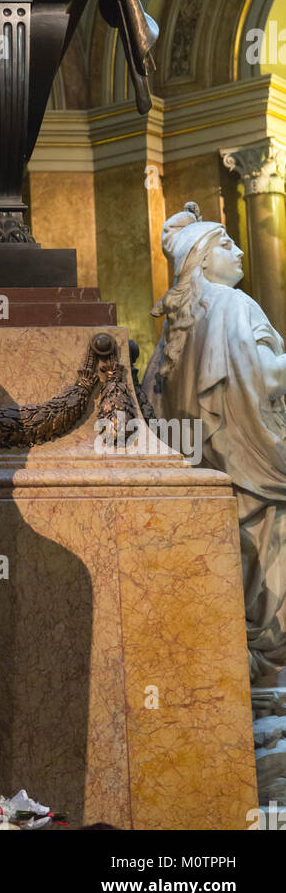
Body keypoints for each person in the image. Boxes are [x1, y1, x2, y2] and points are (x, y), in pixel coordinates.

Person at [142, 202, 286, 684]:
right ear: (200, 258)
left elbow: (157, 416)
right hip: (256, 470)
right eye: (226, 244)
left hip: (209, 482)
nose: (240, 249)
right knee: (270, 585)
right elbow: (262, 379)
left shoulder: (170, 333)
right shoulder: (233, 305)